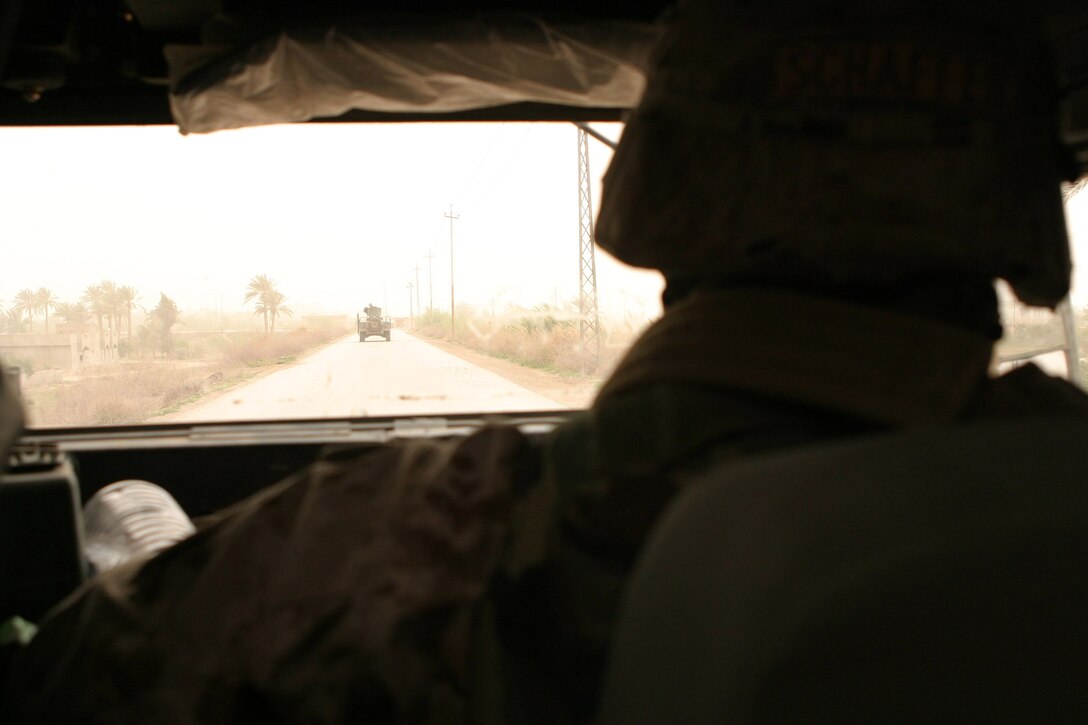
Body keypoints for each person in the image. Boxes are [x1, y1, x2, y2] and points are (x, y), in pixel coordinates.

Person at [6, 0, 1088, 722]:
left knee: (133, 508)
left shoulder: (396, 545)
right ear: (1029, 214)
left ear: (647, 193)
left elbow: (53, 680)